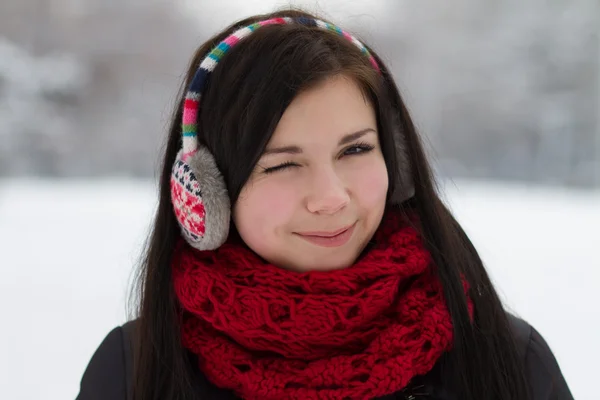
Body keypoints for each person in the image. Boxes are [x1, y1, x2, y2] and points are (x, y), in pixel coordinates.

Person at [76, 9, 573, 400]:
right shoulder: (132, 372)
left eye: (355, 150)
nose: (331, 198)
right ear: (205, 193)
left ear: (396, 161)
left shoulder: (507, 359)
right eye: (281, 164)